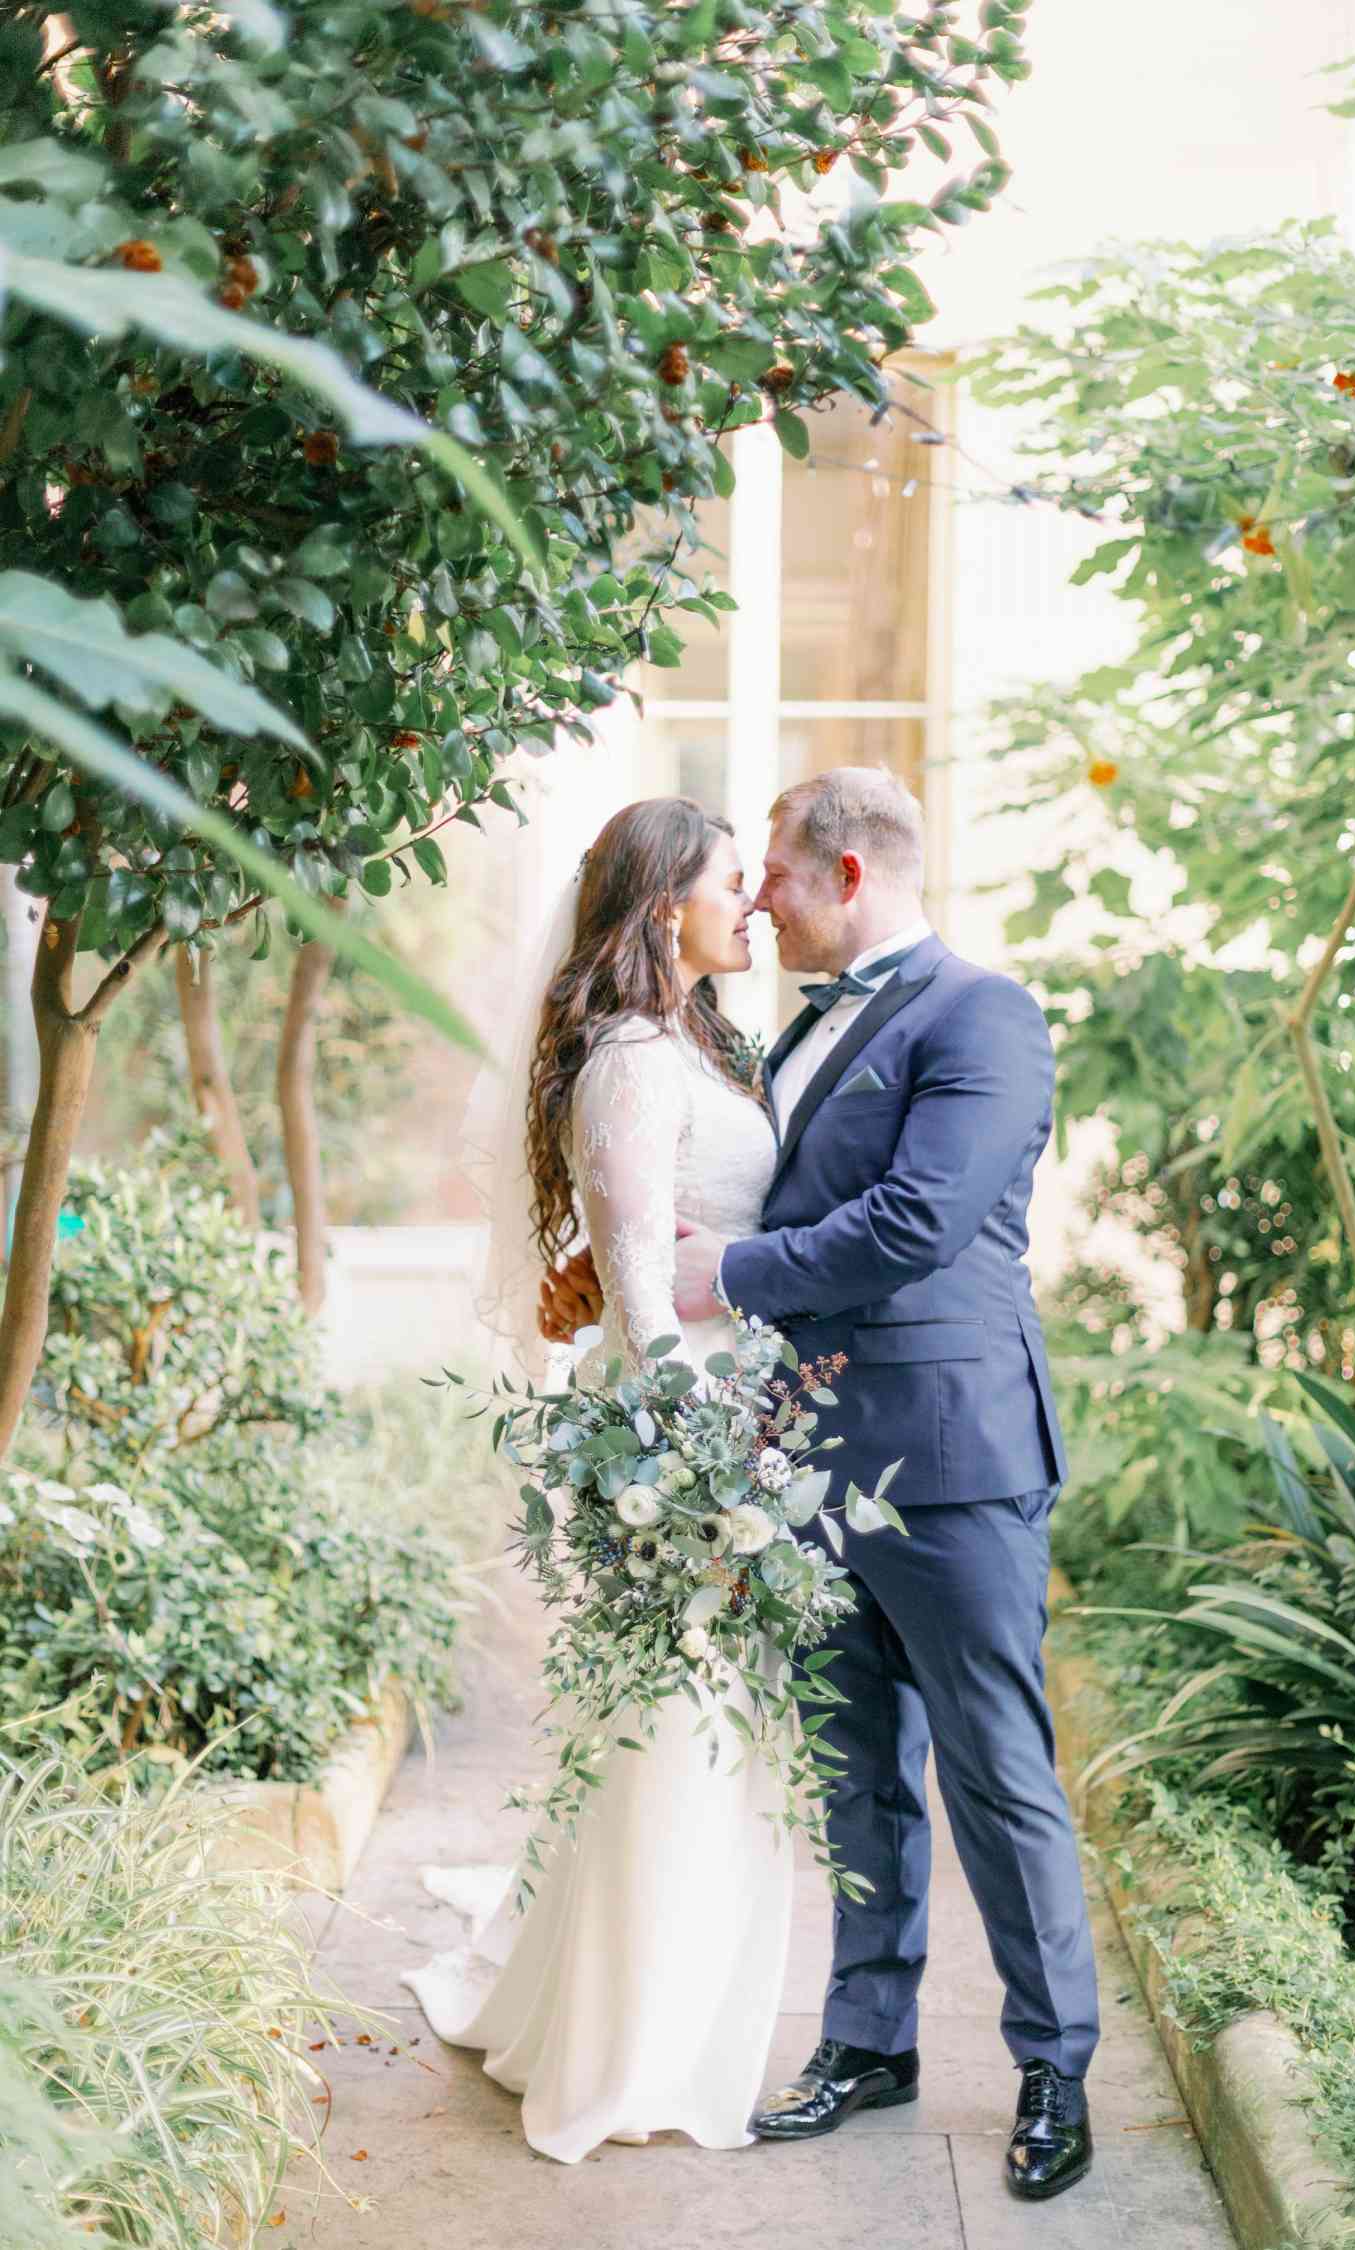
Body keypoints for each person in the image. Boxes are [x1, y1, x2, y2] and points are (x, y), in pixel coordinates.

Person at [541, 765, 1099, 2202]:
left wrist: (721, 1270)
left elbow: (915, 1219)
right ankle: (867, 2037)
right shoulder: (773, 1036)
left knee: (993, 1763)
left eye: (774, 875)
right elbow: (727, 1188)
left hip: (953, 1456)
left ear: (846, 875)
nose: (759, 901)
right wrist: (613, 1268)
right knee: (857, 1772)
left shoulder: (986, 1014)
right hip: (794, 1463)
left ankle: (1053, 2065)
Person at [401, 797, 791, 2163]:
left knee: (702, 1740)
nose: (750, 904)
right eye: (730, 882)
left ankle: (670, 2013)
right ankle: (630, 2049)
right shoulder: (630, 1061)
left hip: (745, 1431)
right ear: (661, 904)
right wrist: (720, 1481)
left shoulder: (698, 1040)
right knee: (673, 1742)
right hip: (685, 1456)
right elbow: (636, 1300)